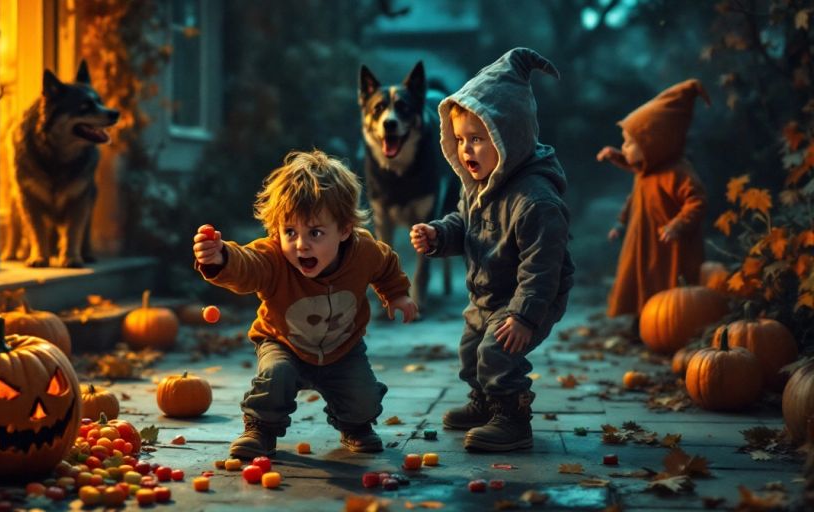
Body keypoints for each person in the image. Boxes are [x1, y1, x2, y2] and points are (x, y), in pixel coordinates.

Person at [194, 149, 418, 459]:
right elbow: (248, 265)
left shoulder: (364, 251)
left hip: (343, 347)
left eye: (315, 232)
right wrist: (222, 258)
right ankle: (260, 427)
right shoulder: (273, 257)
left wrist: (397, 294)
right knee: (275, 376)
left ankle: (354, 425)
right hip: (284, 342)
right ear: (276, 232)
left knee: (363, 400)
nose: (301, 245)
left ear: (344, 229)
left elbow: (386, 265)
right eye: (290, 232)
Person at [410, 48, 574, 452]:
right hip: (488, 292)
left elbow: (542, 267)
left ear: (510, 136)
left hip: (531, 294)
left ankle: (513, 418)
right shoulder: (479, 187)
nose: (467, 150)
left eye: (479, 139)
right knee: (471, 350)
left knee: (498, 350)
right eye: (461, 140)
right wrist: (438, 235)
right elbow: (465, 224)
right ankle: (484, 403)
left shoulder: (536, 200)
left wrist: (523, 315)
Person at [596, 79, 708, 326]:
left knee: (665, 289)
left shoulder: (677, 173)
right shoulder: (648, 169)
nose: (623, 147)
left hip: (667, 245)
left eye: (628, 143)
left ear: (652, 143)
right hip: (642, 241)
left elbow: (697, 201)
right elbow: (634, 199)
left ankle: (670, 329)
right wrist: (620, 224)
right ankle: (640, 325)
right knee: (639, 282)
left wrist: (678, 224)